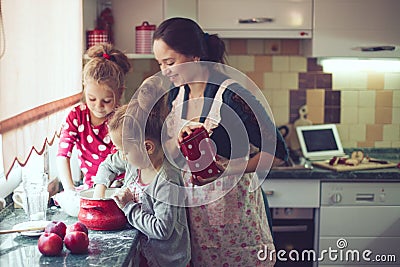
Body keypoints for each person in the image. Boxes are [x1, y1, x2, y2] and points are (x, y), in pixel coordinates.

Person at [152, 17, 289, 266]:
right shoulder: (176, 94)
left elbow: (278, 153)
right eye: (160, 63)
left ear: (195, 56)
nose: (164, 71)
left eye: (170, 62)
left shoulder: (233, 96)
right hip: (195, 221)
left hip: (236, 222)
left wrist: (227, 168)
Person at [107, 77, 191, 267]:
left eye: (124, 151)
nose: (122, 156)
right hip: (147, 256)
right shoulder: (136, 164)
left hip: (168, 262)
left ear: (148, 147)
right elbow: (109, 165)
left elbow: (162, 230)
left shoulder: (167, 181)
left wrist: (129, 207)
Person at [57, 43, 131, 191]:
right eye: (91, 99)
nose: (98, 106)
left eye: (107, 101)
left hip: (123, 189)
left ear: (120, 92)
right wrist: (69, 189)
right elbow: (63, 155)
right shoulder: (76, 116)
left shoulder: (124, 119)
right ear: (84, 89)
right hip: (91, 189)